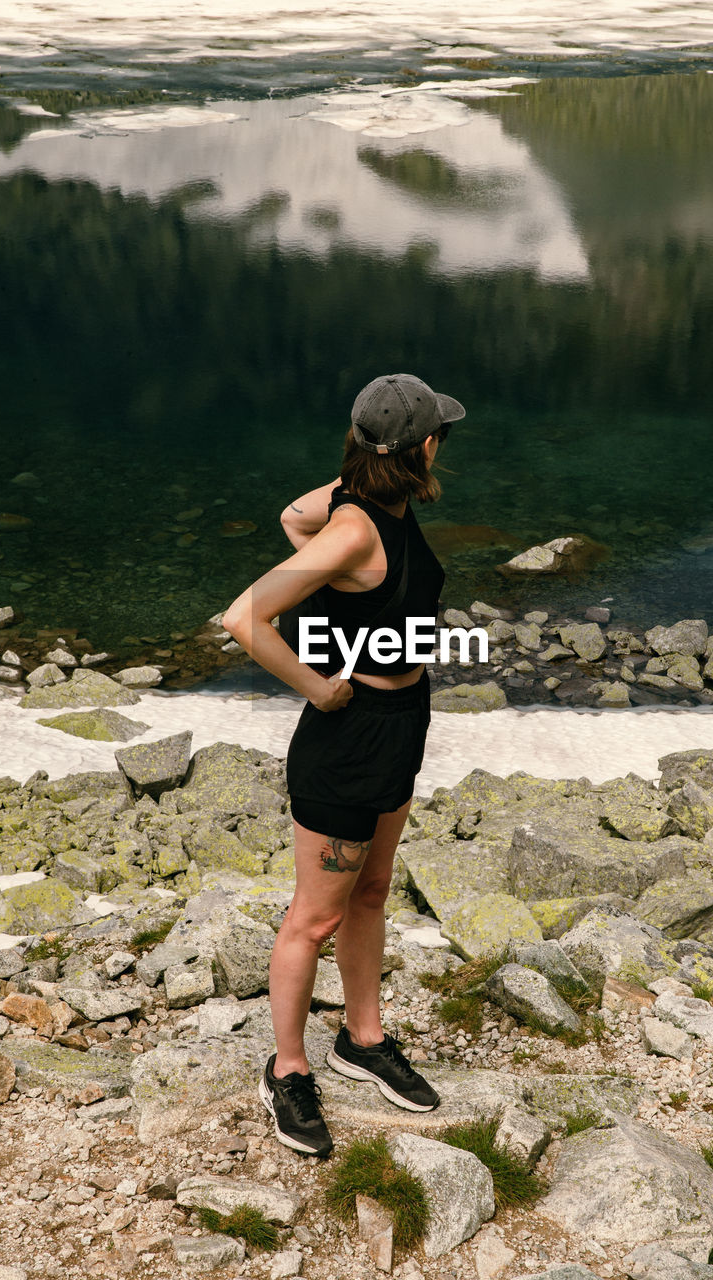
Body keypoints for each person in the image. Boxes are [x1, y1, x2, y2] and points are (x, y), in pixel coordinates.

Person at [222, 373, 465, 1158]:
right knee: (313, 917)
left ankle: (361, 1039)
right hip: (349, 732)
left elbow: (293, 514)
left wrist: (370, 470)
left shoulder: (370, 506)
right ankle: (285, 1068)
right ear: (424, 446)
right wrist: (318, 687)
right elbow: (244, 616)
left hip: (400, 723)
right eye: (438, 435)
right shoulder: (356, 530)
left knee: (371, 891)